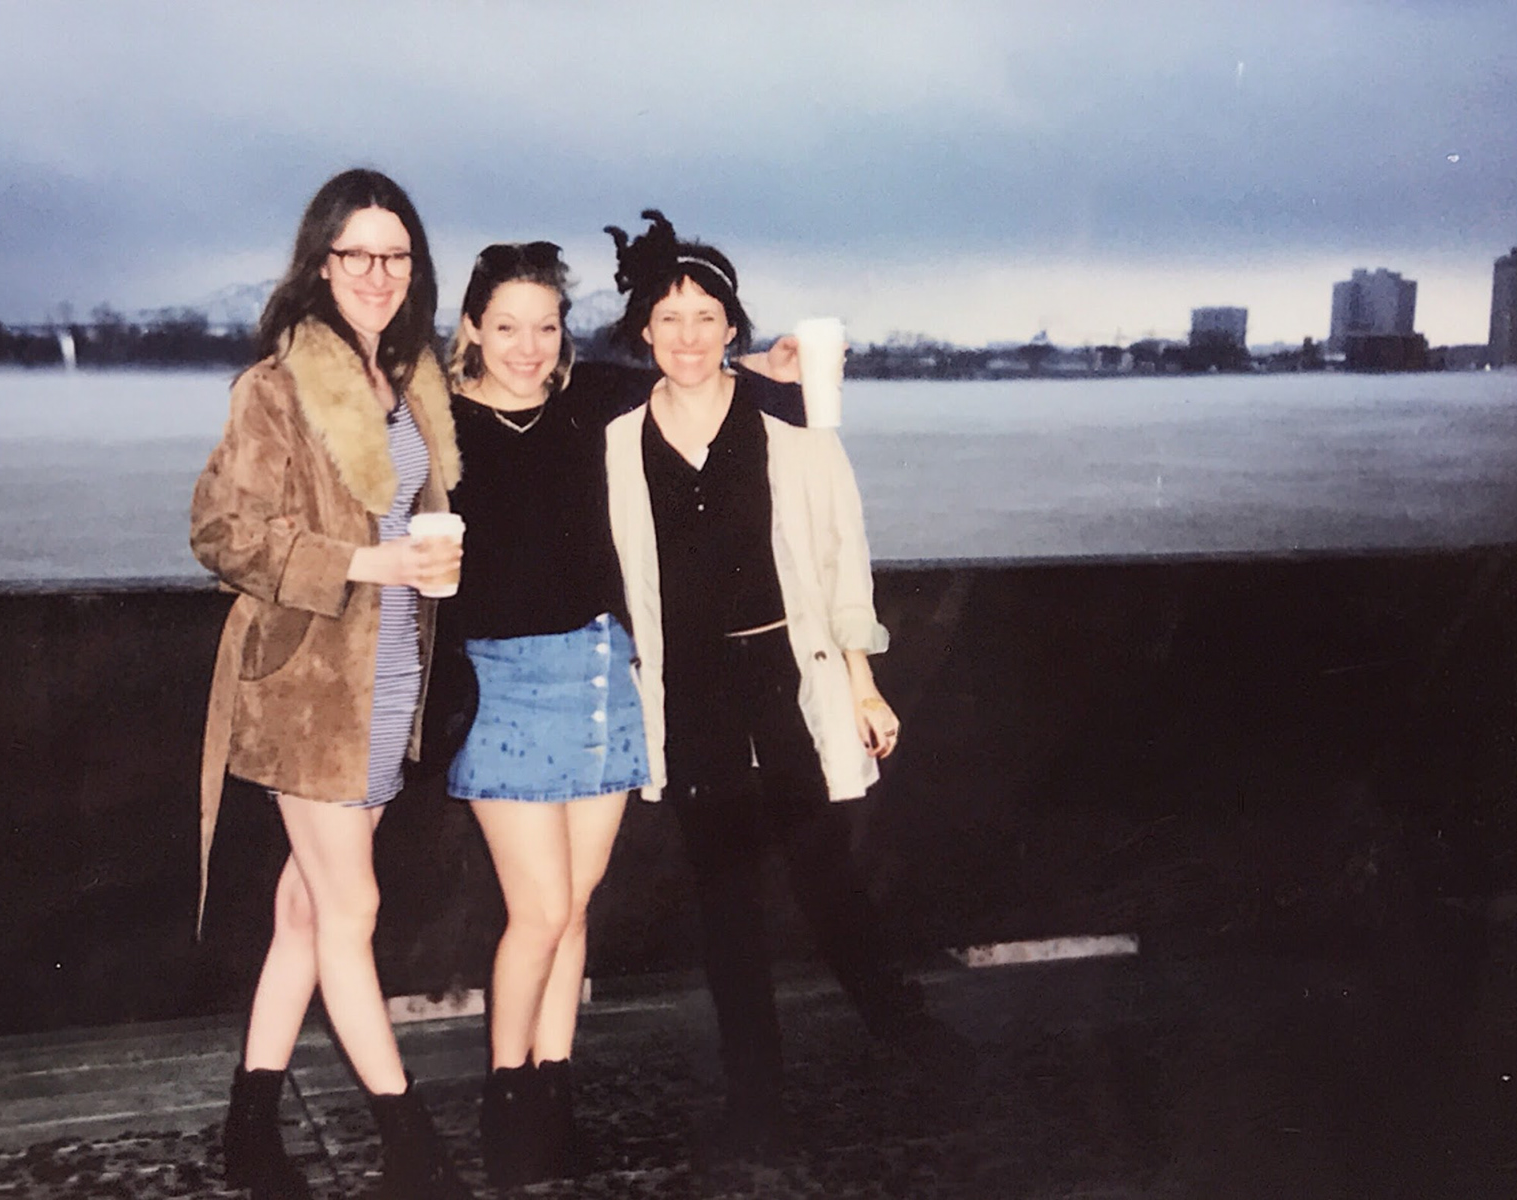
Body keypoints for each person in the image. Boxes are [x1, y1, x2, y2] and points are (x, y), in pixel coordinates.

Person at [598, 210, 971, 1164]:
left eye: (706, 317)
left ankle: (910, 1035)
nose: (688, 335)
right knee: (724, 903)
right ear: (644, 329)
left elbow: (843, 560)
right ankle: (754, 1097)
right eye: (669, 318)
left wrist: (865, 683)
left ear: (733, 327)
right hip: (691, 694)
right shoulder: (617, 443)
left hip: (783, 677)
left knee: (825, 875)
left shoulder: (791, 429)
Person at [437, 240, 804, 1186]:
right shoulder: (434, 423)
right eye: (507, 326)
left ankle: (553, 1092)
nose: (528, 347)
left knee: (573, 907)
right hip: (502, 685)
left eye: (545, 327)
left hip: (602, 670)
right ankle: (505, 1101)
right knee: (538, 909)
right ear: (472, 328)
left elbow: (690, 375)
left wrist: (771, 369)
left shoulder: (590, 399)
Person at [189, 168, 471, 1200]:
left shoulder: (411, 380)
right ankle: (412, 1147)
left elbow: (542, 368)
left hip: (386, 683)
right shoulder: (275, 389)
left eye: (397, 256)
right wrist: (365, 562)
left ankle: (248, 1130)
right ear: (321, 263)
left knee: (308, 911)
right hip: (308, 691)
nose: (379, 274)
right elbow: (222, 532)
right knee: (351, 908)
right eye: (358, 254)